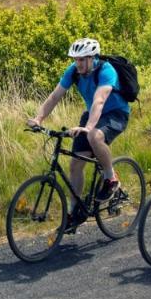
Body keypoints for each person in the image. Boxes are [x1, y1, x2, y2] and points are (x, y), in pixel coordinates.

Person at [29, 38, 130, 232]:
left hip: (116, 114)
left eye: (83, 59)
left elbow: (99, 101)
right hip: (91, 113)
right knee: (76, 164)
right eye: (76, 59)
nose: (79, 63)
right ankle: (74, 213)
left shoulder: (106, 70)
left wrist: (88, 127)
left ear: (93, 58)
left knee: (94, 136)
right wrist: (38, 118)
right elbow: (55, 96)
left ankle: (111, 178)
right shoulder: (73, 71)